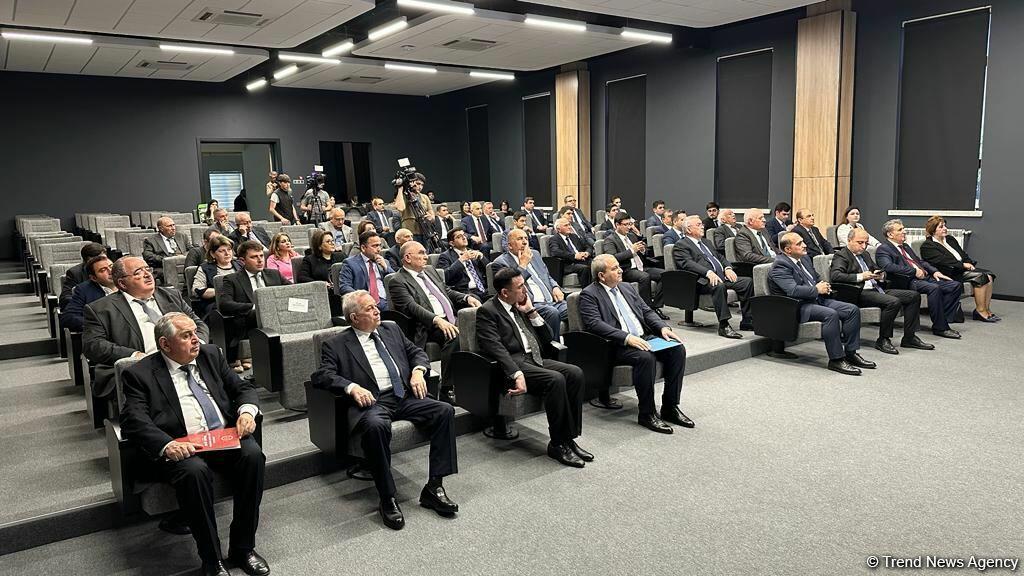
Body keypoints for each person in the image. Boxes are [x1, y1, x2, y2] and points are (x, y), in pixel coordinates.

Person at [120, 313, 269, 576]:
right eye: (186, 336)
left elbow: (242, 388)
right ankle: (212, 559)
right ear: (165, 344)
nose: (196, 340)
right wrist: (166, 445)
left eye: (195, 333)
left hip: (221, 437)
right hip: (181, 446)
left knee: (253, 456)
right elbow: (133, 419)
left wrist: (246, 411)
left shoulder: (211, 355)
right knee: (194, 472)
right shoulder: (139, 374)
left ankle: (243, 548)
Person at [311, 291, 459, 530]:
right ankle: (387, 497)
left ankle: (434, 487)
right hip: (373, 402)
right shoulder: (336, 344)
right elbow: (322, 375)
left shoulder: (391, 329)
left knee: (444, 410)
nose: (377, 310)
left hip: (403, 395)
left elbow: (416, 352)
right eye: (369, 309)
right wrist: (352, 387)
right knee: (376, 425)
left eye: (375, 305)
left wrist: (418, 371)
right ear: (354, 318)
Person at [476, 268, 591, 467]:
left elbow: (547, 338)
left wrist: (531, 312)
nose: (525, 289)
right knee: (555, 379)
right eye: (520, 286)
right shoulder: (487, 311)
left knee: (575, 373)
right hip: (514, 362)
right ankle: (557, 444)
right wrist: (516, 373)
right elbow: (494, 347)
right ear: (505, 292)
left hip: (534, 357)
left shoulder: (520, 305)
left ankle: (568, 439)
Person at [579, 255, 690, 431]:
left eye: (619, 267)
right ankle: (647, 413)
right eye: (614, 268)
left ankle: (670, 407)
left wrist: (662, 327)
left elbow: (647, 311)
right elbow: (595, 324)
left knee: (677, 350)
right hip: (617, 344)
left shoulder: (627, 287)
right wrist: (626, 337)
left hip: (643, 337)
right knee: (645, 358)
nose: (620, 270)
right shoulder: (589, 294)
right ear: (601, 275)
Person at [83, 256, 209, 400]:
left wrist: (197, 343)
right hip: (141, 368)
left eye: (147, 269)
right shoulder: (100, 309)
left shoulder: (171, 296)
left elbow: (199, 324)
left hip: (183, 358)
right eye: (138, 272)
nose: (147, 275)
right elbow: (93, 345)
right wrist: (134, 355)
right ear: (122, 283)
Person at [768, 232, 873, 375]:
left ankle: (851, 353)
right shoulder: (780, 265)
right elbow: (792, 290)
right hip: (796, 306)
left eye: (803, 241)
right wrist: (817, 289)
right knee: (830, 314)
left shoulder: (804, 259)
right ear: (788, 249)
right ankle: (836, 360)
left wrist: (824, 285)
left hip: (816, 300)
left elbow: (816, 278)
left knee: (852, 310)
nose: (804, 245)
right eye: (799, 244)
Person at [387, 241, 481, 384]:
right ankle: (447, 386)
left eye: (425, 253)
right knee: (456, 336)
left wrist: (466, 298)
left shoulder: (430, 270)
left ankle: (479, 378)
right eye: (421, 253)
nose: (426, 256)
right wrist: (437, 319)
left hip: (451, 317)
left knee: (484, 326)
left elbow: (446, 291)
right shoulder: (397, 281)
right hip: (426, 325)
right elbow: (411, 307)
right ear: (407, 258)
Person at [830, 228, 933, 354]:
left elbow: (877, 269)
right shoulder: (841, 255)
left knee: (913, 296)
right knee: (893, 302)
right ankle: (883, 339)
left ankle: (909, 337)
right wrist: (861, 276)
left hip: (876, 288)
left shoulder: (865, 254)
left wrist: (881, 275)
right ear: (849, 240)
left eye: (866, 243)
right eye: (860, 242)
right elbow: (836, 275)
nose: (863, 246)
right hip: (859, 292)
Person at [875, 219, 963, 339]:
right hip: (907, 281)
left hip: (923, 277)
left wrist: (935, 271)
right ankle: (941, 327)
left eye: (903, 228)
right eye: (900, 230)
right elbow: (888, 267)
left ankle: (943, 319)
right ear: (890, 234)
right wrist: (914, 271)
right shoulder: (884, 249)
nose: (904, 231)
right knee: (934, 288)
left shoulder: (905, 246)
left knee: (955, 285)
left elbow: (919, 261)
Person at [673, 215, 753, 337]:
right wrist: (708, 272)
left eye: (702, 224)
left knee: (747, 282)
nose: (702, 226)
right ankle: (724, 325)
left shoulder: (706, 242)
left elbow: (720, 257)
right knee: (719, 286)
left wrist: (727, 268)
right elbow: (688, 264)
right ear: (688, 229)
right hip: (700, 280)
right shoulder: (681, 245)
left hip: (720, 276)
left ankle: (747, 321)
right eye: (698, 225)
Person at [920, 215, 998, 322]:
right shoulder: (928, 246)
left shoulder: (950, 239)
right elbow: (944, 261)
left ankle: (986, 309)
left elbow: (962, 254)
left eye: (945, 226)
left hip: (960, 269)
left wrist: (969, 262)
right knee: (981, 277)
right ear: (933, 230)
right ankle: (980, 311)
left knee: (989, 275)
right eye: (941, 227)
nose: (945, 228)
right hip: (948, 272)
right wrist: (963, 265)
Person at [492, 229, 568, 339]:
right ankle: (552, 347)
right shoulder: (500, 263)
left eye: (526, 238)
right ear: (510, 246)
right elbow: (512, 287)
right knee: (552, 313)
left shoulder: (535, 254)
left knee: (576, 307)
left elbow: (546, 275)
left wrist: (555, 287)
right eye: (519, 239)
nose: (524, 242)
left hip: (551, 300)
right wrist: (523, 265)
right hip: (529, 304)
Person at [218, 241, 287, 361]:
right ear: (242, 261)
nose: (260, 260)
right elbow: (224, 304)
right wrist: (255, 307)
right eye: (254, 257)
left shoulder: (274, 274)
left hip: (281, 319)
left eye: (261, 256)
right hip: (251, 323)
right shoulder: (232, 279)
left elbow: (293, 291)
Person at [605, 212, 667, 318]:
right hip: (626, 269)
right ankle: (646, 310)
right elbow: (612, 258)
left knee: (666, 274)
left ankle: (655, 306)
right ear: (617, 225)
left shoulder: (632, 236)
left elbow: (644, 253)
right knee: (644, 277)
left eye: (630, 224)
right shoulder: (610, 240)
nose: (629, 227)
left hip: (641, 266)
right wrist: (631, 251)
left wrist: (643, 250)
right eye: (626, 224)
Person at [339, 231, 394, 310]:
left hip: (386, 302)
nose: (379, 249)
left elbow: (396, 281)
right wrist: (362, 298)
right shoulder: (350, 263)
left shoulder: (384, 262)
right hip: (364, 305)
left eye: (379, 245)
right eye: (375, 246)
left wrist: (386, 268)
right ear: (363, 248)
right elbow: (344, 287)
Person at [192, 236, 243, 322]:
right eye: (222, 251)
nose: (227, 253)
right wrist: (223, 291)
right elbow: (197, 290)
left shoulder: (240, 265)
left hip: (242, 301)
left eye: (229, 249)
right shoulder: (205, 268)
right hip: (217, 304)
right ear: (212, 254)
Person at [63, 254, 118, 332]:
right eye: (103, 270)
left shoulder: (129, 282)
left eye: (111, 266)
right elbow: (69, 318)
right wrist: (100, 325)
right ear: (94, 278)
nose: (110, 271)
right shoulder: (84, 290)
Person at [436, 229, 488, 302]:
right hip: (465, 292)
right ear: (452, 243)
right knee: (477, 299)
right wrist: (461, 260)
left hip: (483, 289)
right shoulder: (445, 256)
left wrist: (482, 257)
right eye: (459, 237)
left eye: (464, 235)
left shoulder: (473, 252)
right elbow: (444, 276)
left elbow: (489, 271)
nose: (464, 238)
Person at [59, 242, 106, 310]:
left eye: (104, 259)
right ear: (87, 261)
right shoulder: (75, 273)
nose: (102, 263)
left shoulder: (113, 269)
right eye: (97, 260)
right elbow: (65, 299)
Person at [548, 217, 593, 286]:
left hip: (582, 260)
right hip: (567, 264)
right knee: (584, 268)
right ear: (558, 229)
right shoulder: (554, 239)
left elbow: (588, 246)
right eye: (566, 225)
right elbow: (555, 252)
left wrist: (586, 253)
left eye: (569, 225)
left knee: (598, 264)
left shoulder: (574, 236)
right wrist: (574, 256)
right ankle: (587, 290)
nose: (569, 227)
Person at [393, 172, 434, 244]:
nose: (420, 187)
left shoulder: (425, 197)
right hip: (410, 232)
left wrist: (431, 217)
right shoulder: (404, 195)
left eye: (422, 185)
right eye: (418, 184)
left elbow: (432, 215)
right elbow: (400, 208)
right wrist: (400, 189)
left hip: (425, 231)